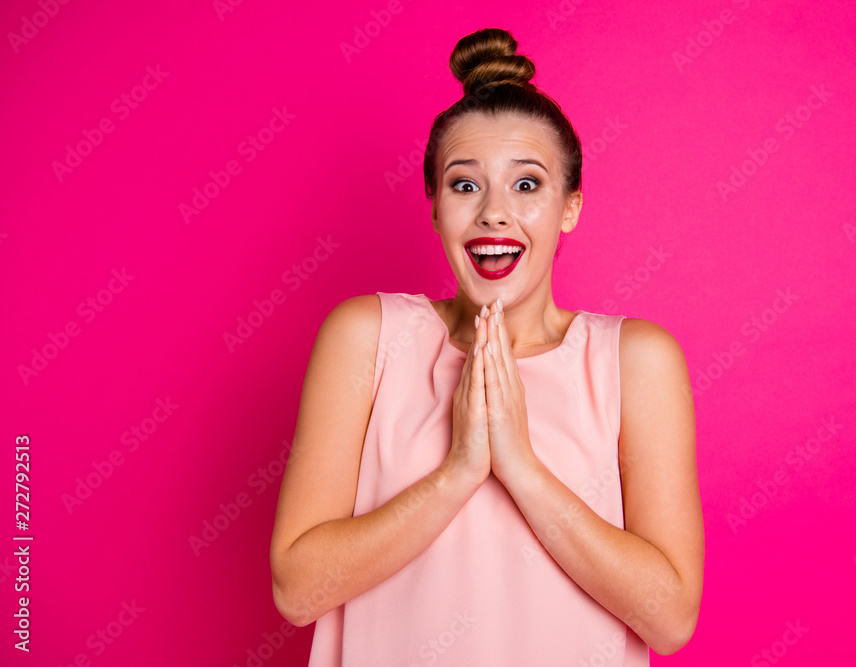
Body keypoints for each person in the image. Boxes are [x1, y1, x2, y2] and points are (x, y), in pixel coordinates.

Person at [269, 27, 704, 666]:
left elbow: (669, 620)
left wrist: (519, 464)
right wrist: (460, 470)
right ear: (435, 206)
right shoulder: (366, 337)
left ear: (570, 208)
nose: (493, 214)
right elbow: (298, 591)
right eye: (465, 185)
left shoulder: (636, 360)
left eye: (526, 185)